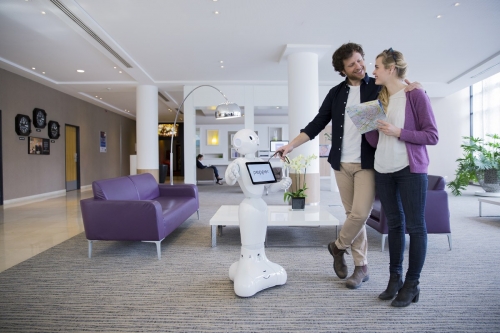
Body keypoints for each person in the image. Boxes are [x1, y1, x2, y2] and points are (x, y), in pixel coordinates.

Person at [275, 42, 422, 290]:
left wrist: (415, 85)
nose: (359, 66)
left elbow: (399, 87)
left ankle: (337, 246)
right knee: (352, 215)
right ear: (342, 70)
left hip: (367, 162)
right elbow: (316, 124)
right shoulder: (336, 93)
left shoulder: (376, 86)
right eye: (351, 64)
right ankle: (361, 266)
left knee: (359, 213)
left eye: (360, 60)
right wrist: (291, 145)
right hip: (341, 164)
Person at [368, 48, 438, 307]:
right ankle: (394, 279)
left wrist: (399, 131)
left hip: (410, 169)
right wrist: (368, 126)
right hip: (383, 169)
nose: (372, 71)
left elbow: (432, 135)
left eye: (376, 66)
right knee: (394, 226)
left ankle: (412, 283)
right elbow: (375, 141)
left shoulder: (415, 94)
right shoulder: (379, 98)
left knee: (416, 226)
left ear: (391, 68)